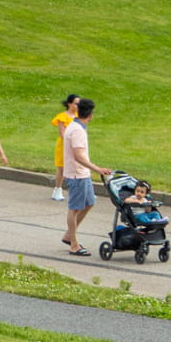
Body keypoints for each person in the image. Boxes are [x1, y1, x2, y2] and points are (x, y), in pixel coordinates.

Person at [61, 97, 112, 256]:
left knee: (89, 202)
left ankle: (70, 234)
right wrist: (97, 169)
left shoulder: (76, 127)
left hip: (82, 173)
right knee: (74, 208)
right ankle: (73, 244)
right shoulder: (77, 130)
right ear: (90, 115)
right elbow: (79, 156)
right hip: (77, 174)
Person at [50, 94, 80, 201]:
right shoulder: (63, 117)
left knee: (78, 167)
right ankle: (57, 189)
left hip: (77, 145)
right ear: (69, 104)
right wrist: (71, 142)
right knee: (62, 168)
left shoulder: (78, 116)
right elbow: (62, 133)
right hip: (64, 145)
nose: (78, 105)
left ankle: (79, 191)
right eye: (76, 103)